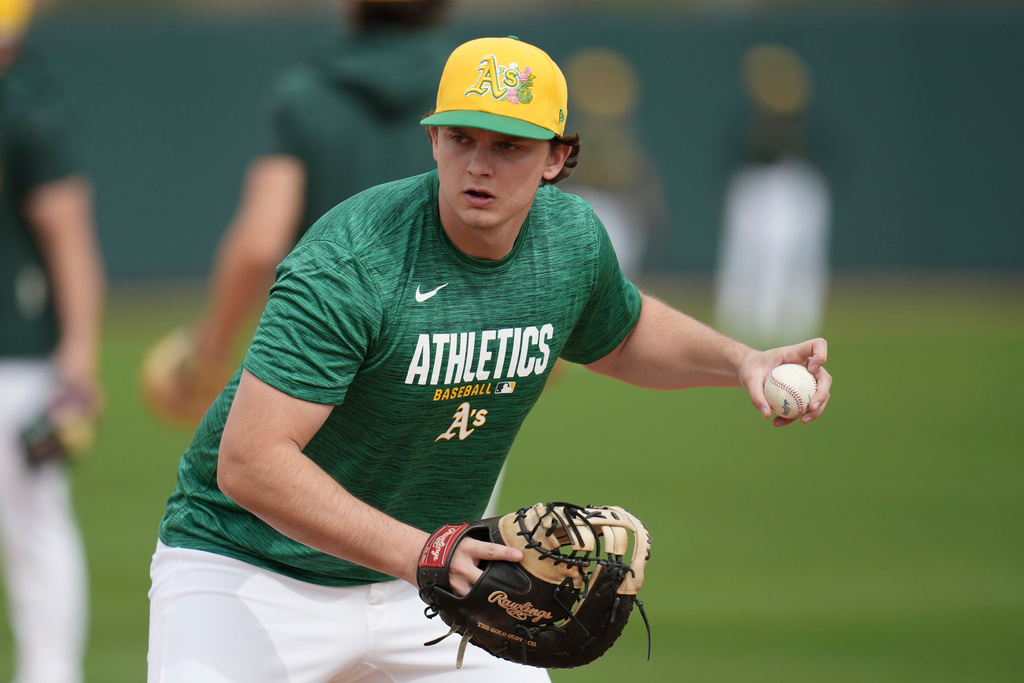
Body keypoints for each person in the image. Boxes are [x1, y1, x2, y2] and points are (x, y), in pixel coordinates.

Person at [147, 36, 832, 683]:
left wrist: (741, 359)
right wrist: (425, 554)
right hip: (251, 566)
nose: (479, 164)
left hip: (431, 578)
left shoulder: (569, 242)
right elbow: (250, 460)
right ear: (433, 141)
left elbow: (622, 333)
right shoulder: (355, 260)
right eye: (461, 138)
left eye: (509, 145)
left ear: (558, 157)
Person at [140, 0, 451, 429]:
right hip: (450, 359)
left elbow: (260, 243)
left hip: (331, 353)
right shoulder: (464, 95)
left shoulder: (307, 94)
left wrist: (211, 347)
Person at [0, 1, 106, 682]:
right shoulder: (26, 99)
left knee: (35, 535)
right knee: (38, 540)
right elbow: (68, 228)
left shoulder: (24, 105)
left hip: (17, 363)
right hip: (17, 361)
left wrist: (77, 354)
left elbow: (64, 228)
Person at [714, 43, 833, 348]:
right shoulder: (754, 120)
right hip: (762, 186)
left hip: (791, 186)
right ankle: (753, 319)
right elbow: (749, 150)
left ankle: (796, 319)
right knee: (753, 256)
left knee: (798, 259)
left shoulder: (803, 120)